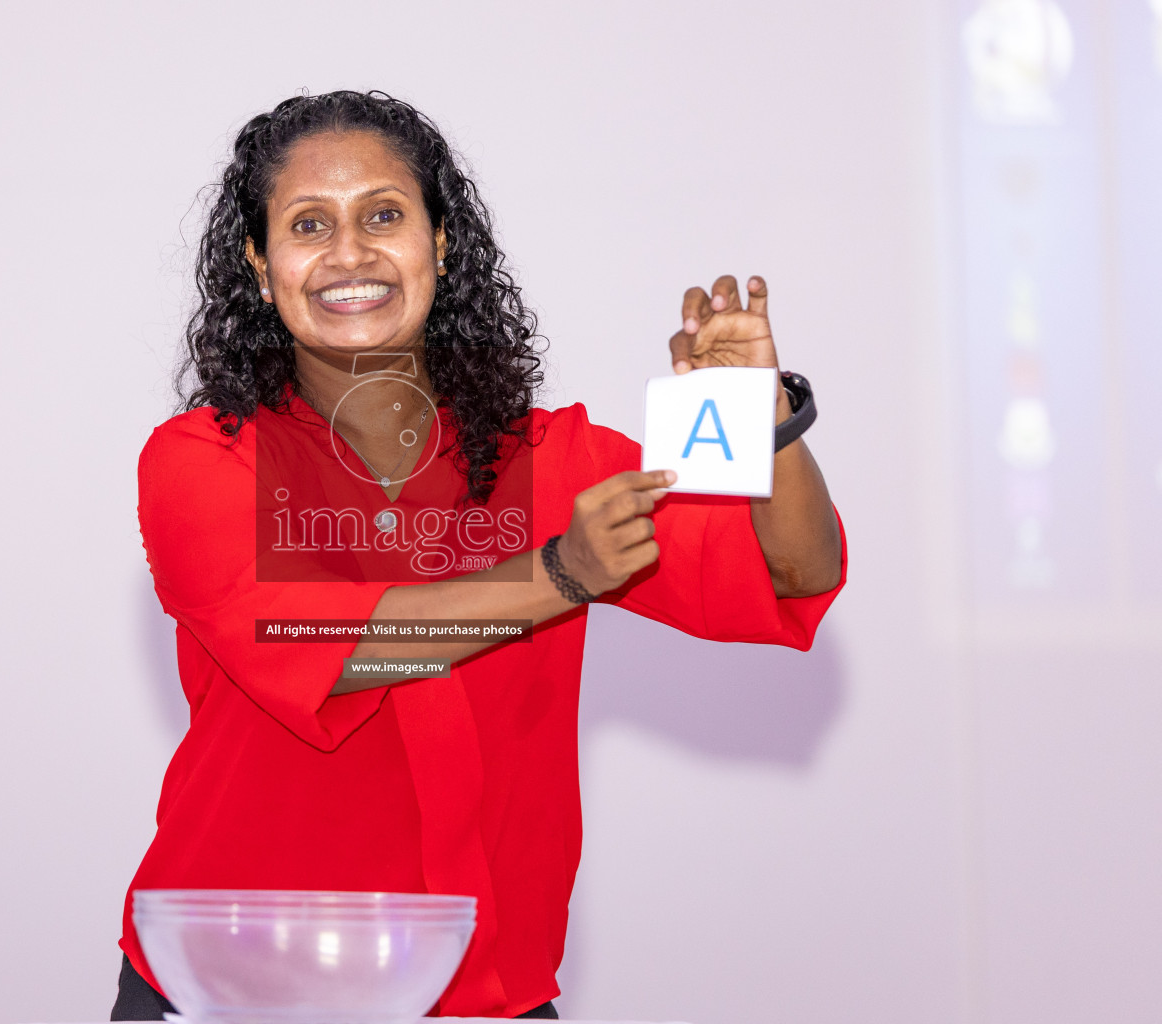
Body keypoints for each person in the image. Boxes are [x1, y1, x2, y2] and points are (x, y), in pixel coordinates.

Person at [115, 90, 845, 1021]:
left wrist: (769, 425)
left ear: (441, 244)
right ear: (262, 267)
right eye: (309, 225)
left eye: (385, 215)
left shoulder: (556, 460)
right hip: (228, 984)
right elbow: (327, 643)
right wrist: (560, 575)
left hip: (481, 998)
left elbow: (792, 574)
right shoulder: (203, 461)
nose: (350, 253)